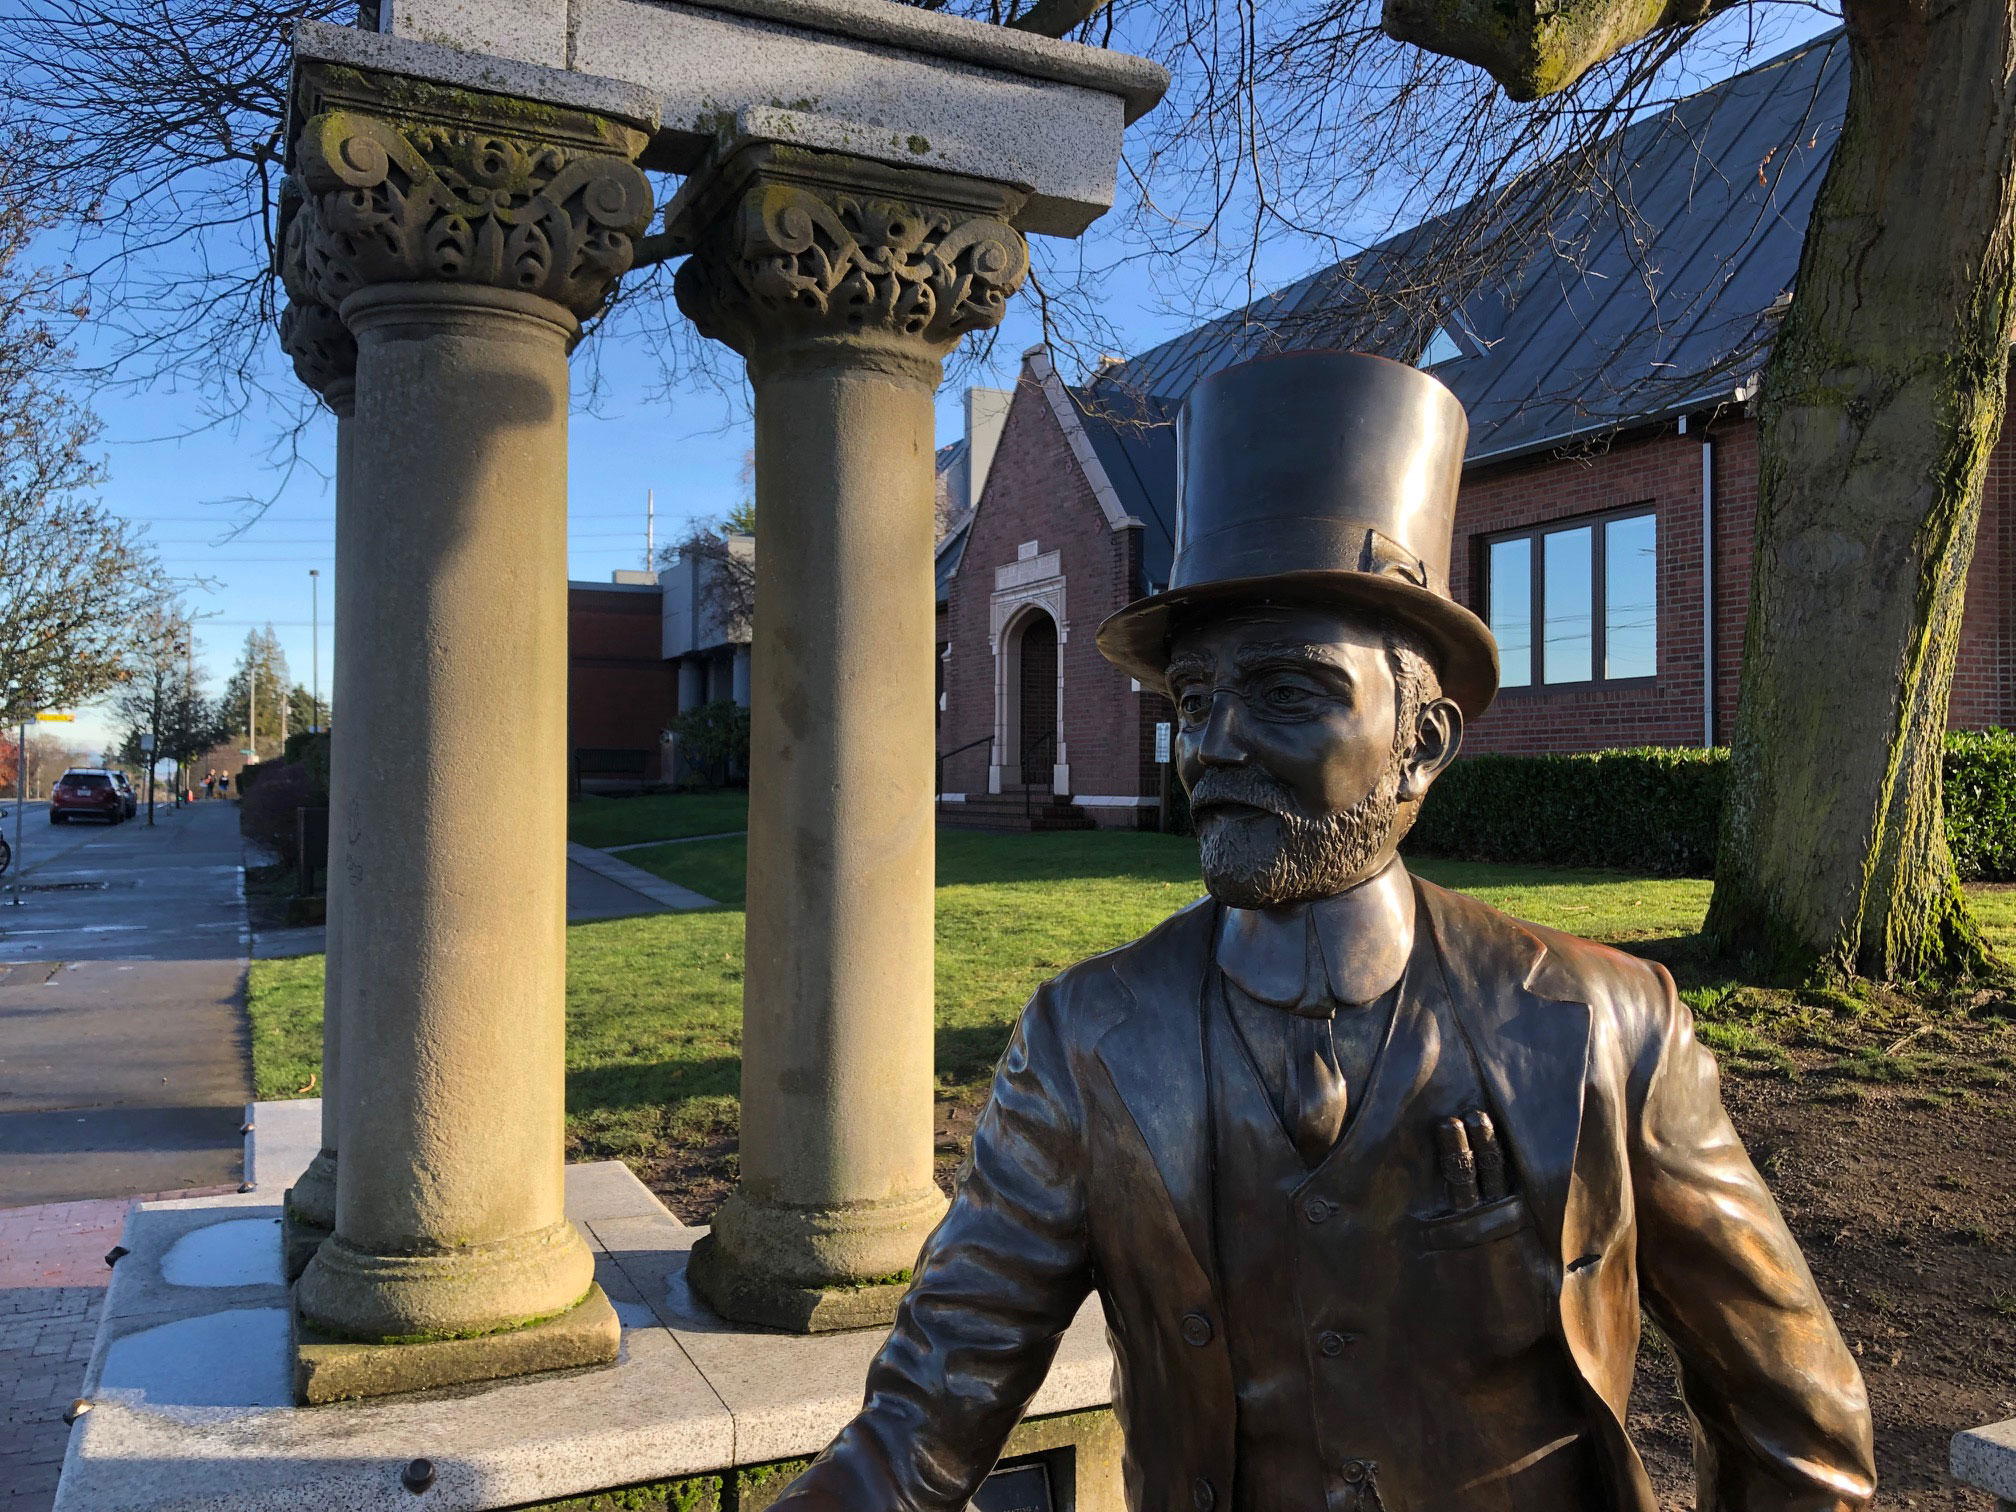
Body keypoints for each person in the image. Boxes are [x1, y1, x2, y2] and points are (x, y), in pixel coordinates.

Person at [765, 353, 1875, 1511]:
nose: (1215, 745)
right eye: (1195, 701)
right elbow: (919, 1426)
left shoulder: (1603, 1029)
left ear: (1427, 740)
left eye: (1290, 691)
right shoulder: (1086, 1045)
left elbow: (1798, 1425)